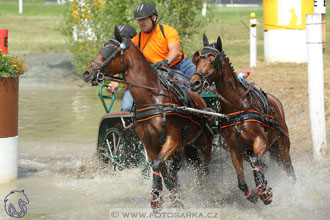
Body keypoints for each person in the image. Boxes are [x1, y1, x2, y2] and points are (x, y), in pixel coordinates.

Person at [131, 2, 195, 80]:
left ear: (154, 18)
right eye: (139, 20)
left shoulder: (167, 30)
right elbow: (124, 56)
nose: (141, 23)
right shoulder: (136, 40)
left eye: (144, 19)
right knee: (183, 86)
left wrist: (166, 61)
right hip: (165, 71)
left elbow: (175, 50)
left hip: (183, 64)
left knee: (202, 79)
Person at [106, 24, 137, 112]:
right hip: (130, 89)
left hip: (146, 87)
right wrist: (112, 86)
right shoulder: (120, 57)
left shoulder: (141, 52)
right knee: (126, 108)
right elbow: (115, 81)